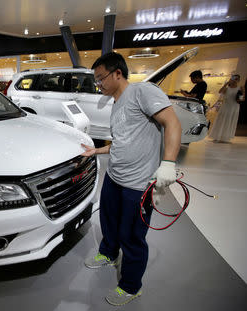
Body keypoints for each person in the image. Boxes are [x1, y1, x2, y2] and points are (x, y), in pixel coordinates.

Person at [81, 52, 181, 306]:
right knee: (110, 223)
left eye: (101, 78)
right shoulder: (117, 103)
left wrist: (168, 163)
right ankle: (108, 253)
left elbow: (172, 123)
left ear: (117, 73)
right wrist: (97, 150)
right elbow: (123, 142)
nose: (98, 84)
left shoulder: (142, 92)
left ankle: (130, 286)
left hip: (138, 185)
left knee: (132, 236)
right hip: (115, 178)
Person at [208, 74, 244, 142]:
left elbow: (241, 99)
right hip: (225, 106)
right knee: (221, 120)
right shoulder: (227, 88)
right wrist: (226, 84)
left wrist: (243, 92)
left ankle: (225, 137)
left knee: (229, 121)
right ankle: (217, 136)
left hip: (234, 106)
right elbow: (220, 92)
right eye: (233, 79)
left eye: (236, 79)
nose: (234, 81)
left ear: (238, 80)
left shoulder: (240, 88)